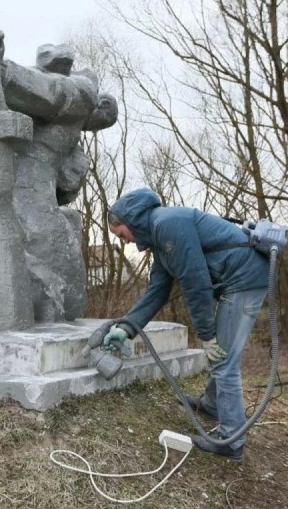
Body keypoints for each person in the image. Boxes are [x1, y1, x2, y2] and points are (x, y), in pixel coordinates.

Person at [0, 29, 118, 327]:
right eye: (105, 110)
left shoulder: (62, 112)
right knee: (66, 295)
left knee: (45, 290)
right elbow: (52, 93)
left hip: (10, 203)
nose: (100, 118)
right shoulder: (80, 91)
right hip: (28, 205)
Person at [104, 187, 270, 462]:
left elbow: (195, 281)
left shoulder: (168, 224)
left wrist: (206, 335)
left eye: (121, 234)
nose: (124, 241)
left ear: (131, 220)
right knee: (222, 355)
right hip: (236, 280)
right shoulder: (160, 240)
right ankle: (213, 405)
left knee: (223, 358)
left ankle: (231, 440)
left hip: (245, 278)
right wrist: (126, 327)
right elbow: (156, 291)